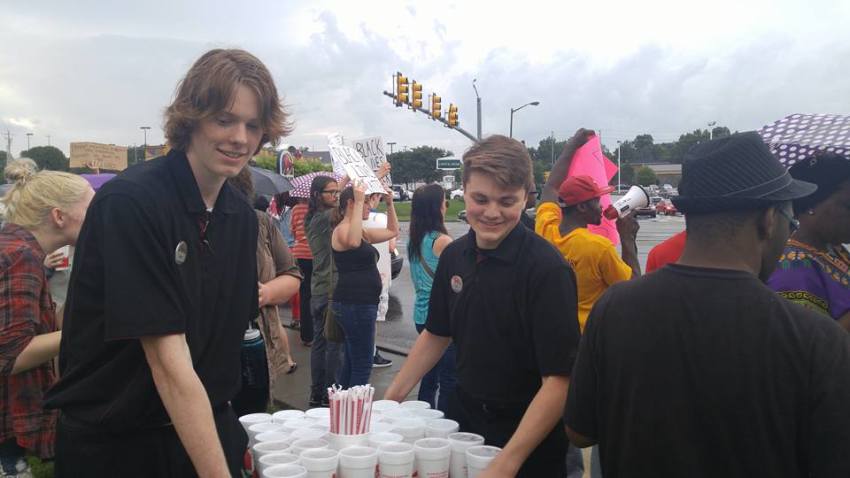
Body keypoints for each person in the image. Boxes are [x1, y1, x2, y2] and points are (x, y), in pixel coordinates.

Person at [44, 49, 289, 477]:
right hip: (119, 447)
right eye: (225, 119)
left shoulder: (239, 216)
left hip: (206, 427)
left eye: (253, 125)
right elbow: (169, 365)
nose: (240, 138)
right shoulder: (133, 202)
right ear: (192, 118)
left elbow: (221, 344)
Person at [565, 132, 850, 477]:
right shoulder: (816, 340)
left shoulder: (614, 308)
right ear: (767, 220)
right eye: (790, 222)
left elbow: (579, 432)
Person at [386, 135, 580, 477]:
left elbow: (559, 380)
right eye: (480, 199)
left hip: (528, 433)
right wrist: (390, 400)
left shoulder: (548, 270)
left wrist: (507, 462)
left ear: (525, 197)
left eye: (507, 201)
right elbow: (436, 334)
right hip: (467, 421)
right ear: (464, 191)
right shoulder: (455, 256)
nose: (492, 213)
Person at [0, 168, 93, 478]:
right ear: (59, 216)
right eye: (90, 207)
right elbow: (11, 355)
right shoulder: (21, 256)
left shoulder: (15, 247)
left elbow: (36, 325)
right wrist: (91, 331)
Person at [537, 129, 640, 333]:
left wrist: (571, 146)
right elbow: (633, 292)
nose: (602, 206)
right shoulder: (597, 247)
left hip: (554, 334)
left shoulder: (545, 227)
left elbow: (550, 187)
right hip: (588, 339)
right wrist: (627, 238)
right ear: (582, 208)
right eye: (597, 201)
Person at [227, 167, 302, 416]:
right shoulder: (184, 224)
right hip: (207, 356)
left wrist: (265, 293)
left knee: (256, 421)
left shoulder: (261, 223)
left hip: (259, 346)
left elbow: (292, 275)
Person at [769, 153, 850, 331]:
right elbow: (804, 345)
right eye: (847, 205)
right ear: (811, 204)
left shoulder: (836, 250)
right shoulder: (792, 266)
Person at [331, 183, 399, 387]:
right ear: (351, 203)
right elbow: (352, 243)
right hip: (355, 304)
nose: (370, 207)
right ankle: (356, 410)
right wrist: (360, 200)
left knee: (352, 361)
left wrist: (390, 204)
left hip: (360, 304)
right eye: (366, 203)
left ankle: (344, 407)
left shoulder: (361, 231)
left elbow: (392, 231)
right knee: (362, 363)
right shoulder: (343, 230)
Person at [407, 183, 455, 411]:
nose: (447, 205)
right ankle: (445, 423)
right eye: (444, 201)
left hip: (421, 315)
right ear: (437, 207)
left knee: (428, 374)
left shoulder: (414, 239)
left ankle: (422, 415)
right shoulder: (442, 242)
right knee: (448, 379)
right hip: (441, 319)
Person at [305, 174, 347, 407]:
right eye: (330, 192)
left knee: (320, 344)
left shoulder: (313, 215)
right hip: (329, 291)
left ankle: (317, 394)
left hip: (319, 288)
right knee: (334, 346)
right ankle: (332, 395)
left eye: (336, 191)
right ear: (317, 195)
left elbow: (337, 196)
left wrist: (348, 175)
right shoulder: (323, 218)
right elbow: (344, 207)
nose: (335, 195)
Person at [291, 197, 314, 344]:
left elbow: (293, 230)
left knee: (304, 294)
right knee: (317, 293)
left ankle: (306, 336)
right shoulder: (315, 209)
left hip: (299, 253)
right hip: (314, 253)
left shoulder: (295, 209)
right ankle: (318, 332)